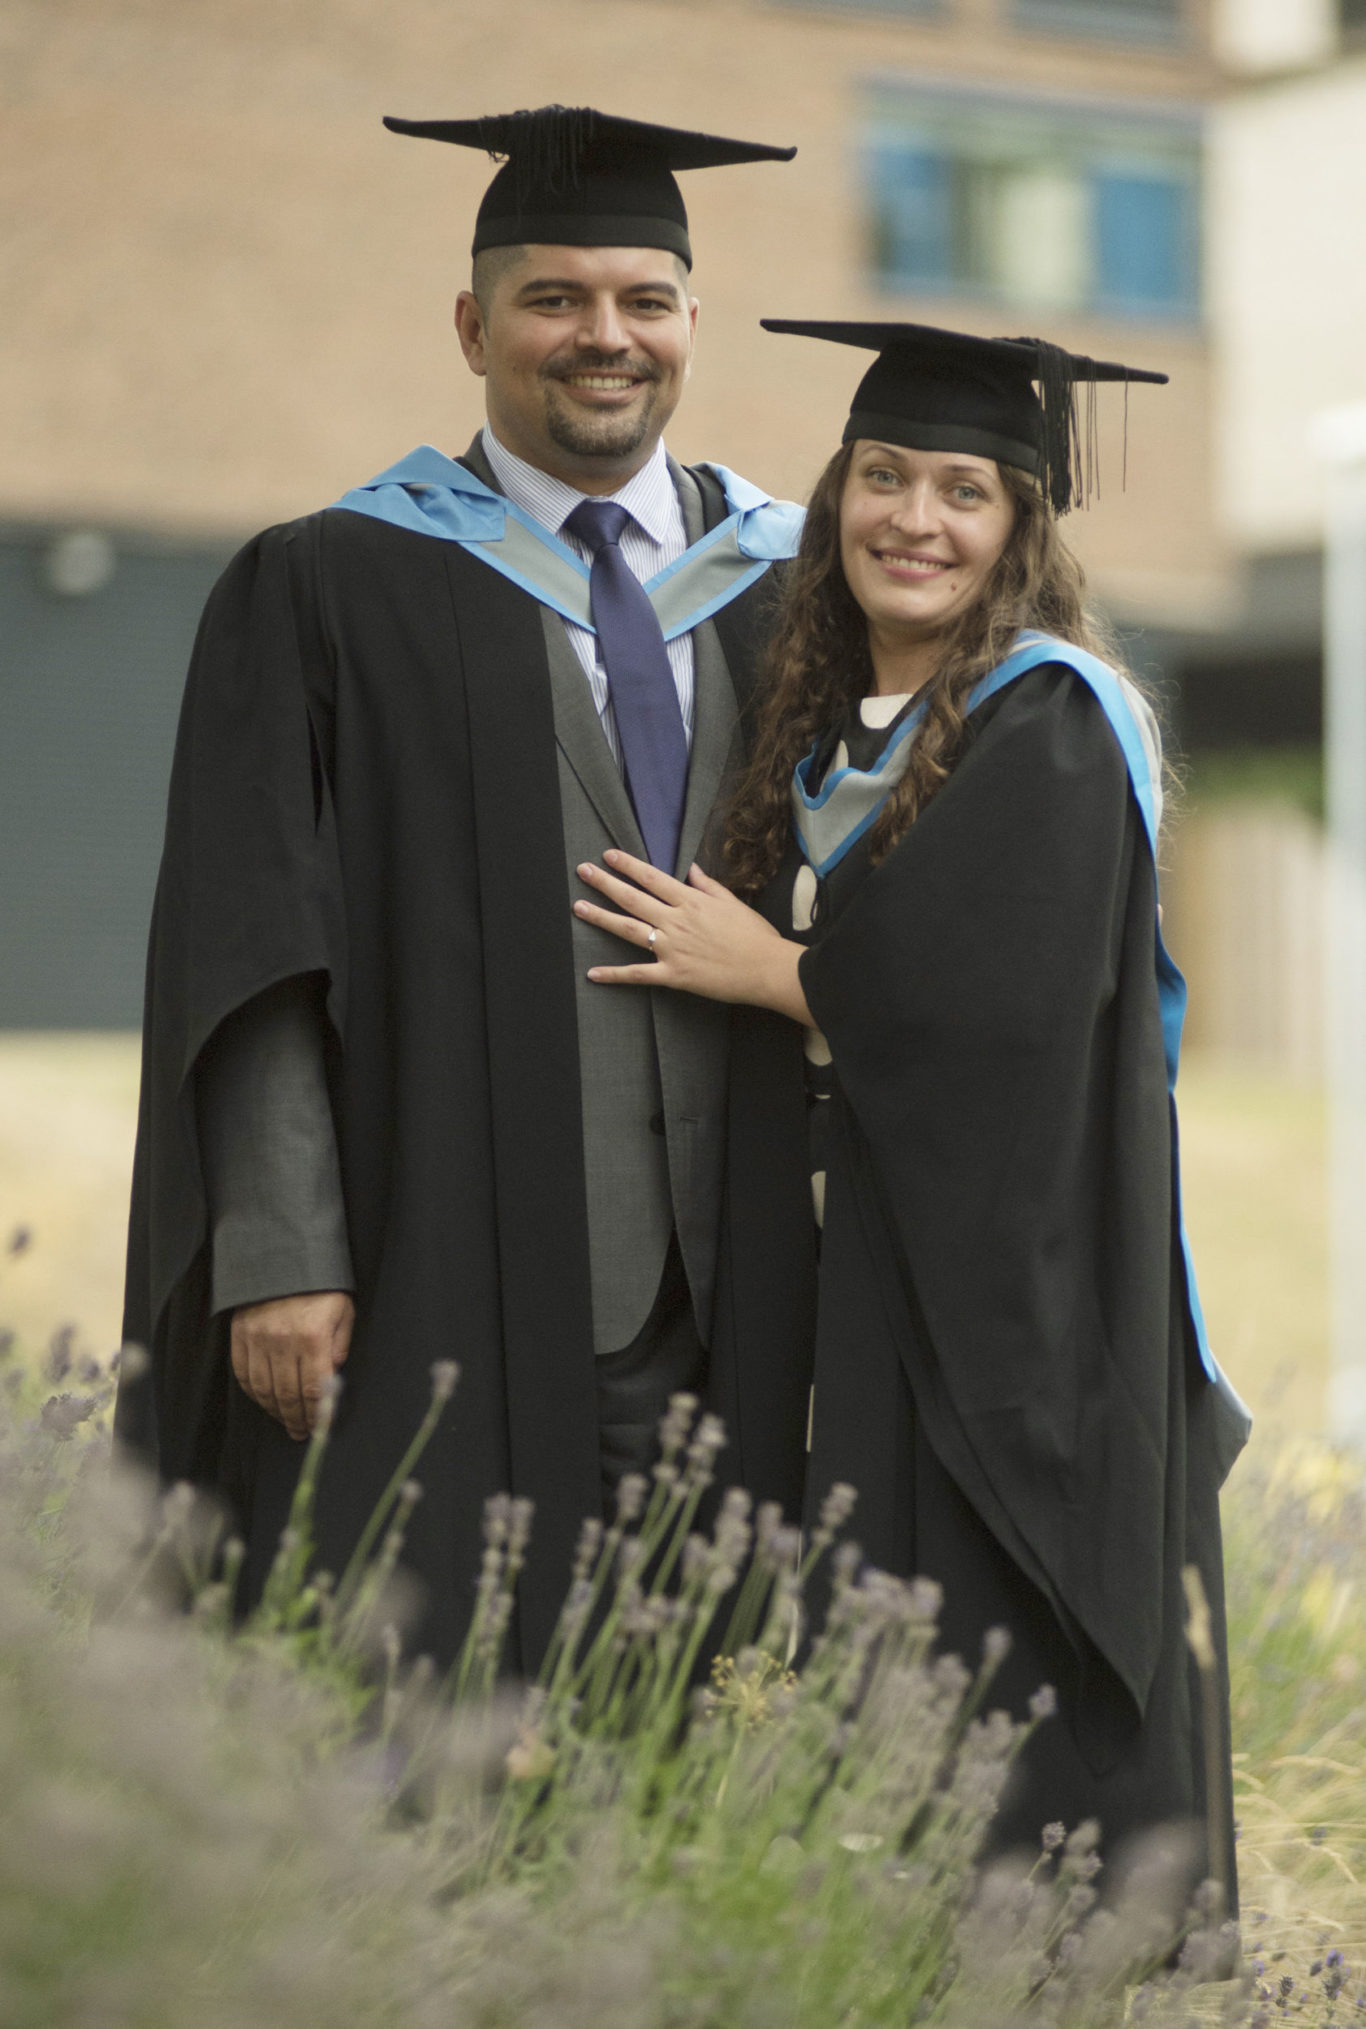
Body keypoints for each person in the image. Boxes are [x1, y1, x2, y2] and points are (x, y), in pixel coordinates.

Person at [116, 107, 819, 1673]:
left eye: (642, 300)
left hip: (761, 1268)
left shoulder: (793, 581)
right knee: (434, 1679)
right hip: (452, 1247)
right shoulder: (329, 583)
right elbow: (254, 942)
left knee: (702, 1702)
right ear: (472, 324)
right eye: (553, 298)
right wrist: (283, 1247)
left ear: (691, 325)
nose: (603, 337)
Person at [572, 319, 1251, 1882]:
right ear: (836, 497)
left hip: (1018, 1296)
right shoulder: (824, 729)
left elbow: (999, 1021)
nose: (915, 519)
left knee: (1004, 1683)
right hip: (877, 1273)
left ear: (1020, 528)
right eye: (883, 476)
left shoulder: (1052, 721)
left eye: (964, 490)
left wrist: (778, 974)